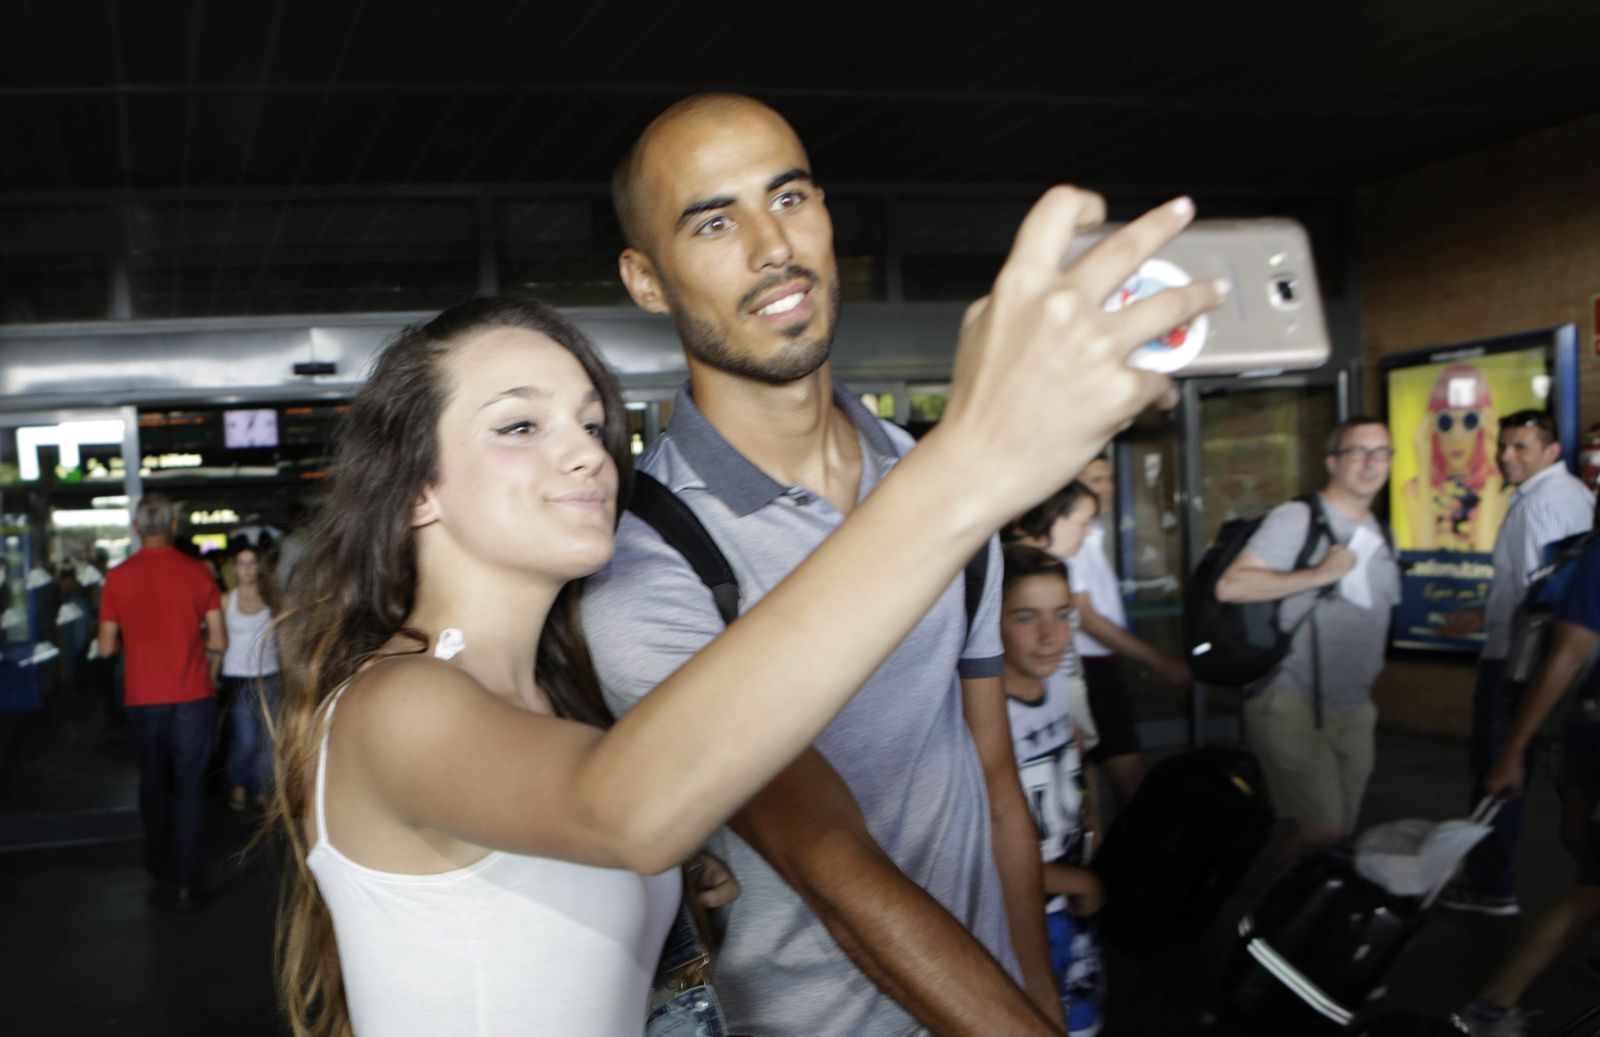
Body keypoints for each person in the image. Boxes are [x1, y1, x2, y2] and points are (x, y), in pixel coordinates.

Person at [265, 190, 1228, 1034]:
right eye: (520, 424)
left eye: (593, 421)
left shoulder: (557, 703)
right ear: (417, 488)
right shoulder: (397, 701)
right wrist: (970, 460)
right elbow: (626, 809)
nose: (587, 451)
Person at [582, 93, 1067, 1035]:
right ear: (646, 280)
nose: (773, 246)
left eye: (789, 197)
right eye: (714, 222)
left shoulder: (930, 477)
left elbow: (993, 774)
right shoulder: (647, 562)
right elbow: (830, 864)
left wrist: (1038, 992)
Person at [1215, 416, 1401, 861]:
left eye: (1382, 453)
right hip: (1292, 699)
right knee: (1324, 827)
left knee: (1337, 829)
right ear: (1333, 462)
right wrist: (1319, 574)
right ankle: (1266, 902)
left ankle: (1293, 894)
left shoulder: (1382, 532)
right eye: (1359, 452)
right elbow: (1232, 586)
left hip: (1354, 707)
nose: (1371, 463)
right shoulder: (1297, 519)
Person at [1442, 410, 1595, 916]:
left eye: (1520, 447)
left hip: (1520, 665)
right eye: (1503, 446)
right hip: (1533, 661)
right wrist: (1482, 616)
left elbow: (1542, 603)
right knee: (1563, 781)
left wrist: (1528, 679)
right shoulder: (1555, 495)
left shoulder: (1545, 503)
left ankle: (1490, 886)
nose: (1506, 456)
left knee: (1500, 770)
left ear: (1551, 451)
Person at [1454, 533, 1600, 1037]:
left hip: (1586, 744)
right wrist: (1513, 750)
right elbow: (1568, 654)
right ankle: (1491, 1007)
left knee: (1589, 871)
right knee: (1592, 888)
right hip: (1594, 743)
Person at [97, 494, 227, 904]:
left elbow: (105, 647)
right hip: (193, 695)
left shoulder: (117, 577)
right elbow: (219, 641)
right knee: (190, 786)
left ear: (137, 529)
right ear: (173, 527)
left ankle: (157, 861)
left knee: (153, 782)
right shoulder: (198, 573)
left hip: (143, 697)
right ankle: (188, 880)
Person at [999, 543, 1106, 1037]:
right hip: (1019, 916)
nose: (1050, 635)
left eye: (1062, 615)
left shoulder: (1056, 683)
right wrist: (1081, 883)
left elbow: (1075, 758)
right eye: (1026, 617)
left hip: (1066, 899)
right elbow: (983, 852)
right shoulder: (983, 718)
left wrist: (1090, 814)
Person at [1065, 454, 1191, 807]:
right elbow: (1087, 619)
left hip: (1100, 667)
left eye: (1109, 478)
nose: (1107, 487)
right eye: (1096, 479)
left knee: (1099, 776)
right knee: (1125, 778)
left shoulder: (1091, 536)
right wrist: (1158, 660)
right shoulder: (1071, 543)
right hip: (1085, 670)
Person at [1005, 480, 1104, 753]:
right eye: (1083, 522)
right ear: (1053, 517)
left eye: (1061, 615)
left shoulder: (1059, 566)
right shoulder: (1010, 571)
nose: (1088, 532)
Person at [1401, 362, 1505, 552]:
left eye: (1470, 421)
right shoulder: (1415, 490)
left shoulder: (1502, 489)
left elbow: (1487, 552)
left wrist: (1493, 464)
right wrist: (1423, 466)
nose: (1457, 437)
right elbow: (1423, 556)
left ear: (1485, 425)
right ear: (1431, 427)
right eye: (1445, 422)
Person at [221, 543, 281, 811]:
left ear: (259, 567)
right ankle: (238, 783)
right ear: (235, 568)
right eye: (242, 563)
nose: (246, 569)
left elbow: (283, 635)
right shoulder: (226, 600)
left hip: (269, 675)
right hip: (238, 679)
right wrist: (211, 673)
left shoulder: (272, 599)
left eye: (251, 563)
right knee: (245, 738)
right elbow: (216, 638)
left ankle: (260, 788)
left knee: (268, 738)